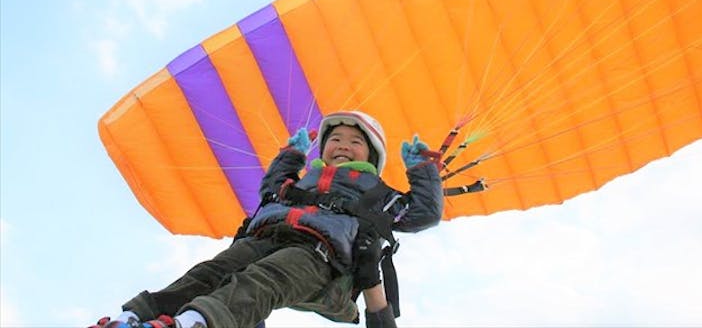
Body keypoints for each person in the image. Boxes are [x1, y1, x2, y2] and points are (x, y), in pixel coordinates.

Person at [91, 110, 443, 328]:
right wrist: (290, 155)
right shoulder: (305, 178)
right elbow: (272, 190)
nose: (342, 145)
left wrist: (422, 170)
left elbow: (423, 212)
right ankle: (133, 317)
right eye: (335, 138)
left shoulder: (376, 191)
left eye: (355, 141)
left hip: (321, 261)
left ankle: (196, 323)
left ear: (371, 155)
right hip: (267, 238)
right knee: (210, 273)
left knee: (261, 280)